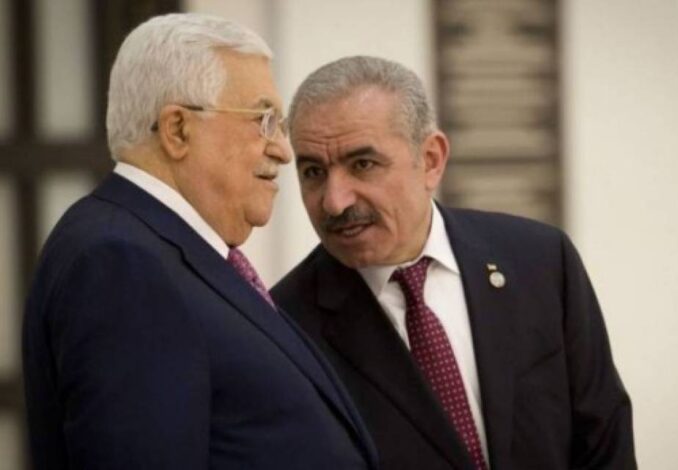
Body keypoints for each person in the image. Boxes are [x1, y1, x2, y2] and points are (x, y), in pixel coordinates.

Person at [23, 14, 377, 470]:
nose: (283, 149)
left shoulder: (159, 249)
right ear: (177, 130)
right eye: (264, 120)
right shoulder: (121, 263)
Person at [271, 56, 636, 470]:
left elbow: (605, 440)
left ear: (431, 160)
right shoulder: (285, 325)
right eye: (313, 172)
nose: (335, 201)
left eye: (363, 165)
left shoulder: (541, 261)